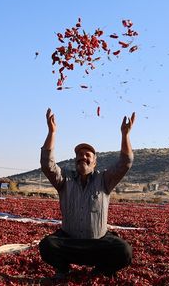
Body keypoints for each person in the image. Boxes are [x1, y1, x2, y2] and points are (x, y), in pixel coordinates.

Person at [38, 108, 135, 279]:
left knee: (124, 251)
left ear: (94, 162)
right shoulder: (64, 180)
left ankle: (101, 270)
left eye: (87, 155)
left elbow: (125, 162)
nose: (83, 157)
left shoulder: (104, 180)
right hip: (70, 243)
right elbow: (47, 164)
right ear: (75, 160)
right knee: (47, 245)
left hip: (98, 244)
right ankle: (63, 270)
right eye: (79, 155)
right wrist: (52, 132)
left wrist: (125, 135)